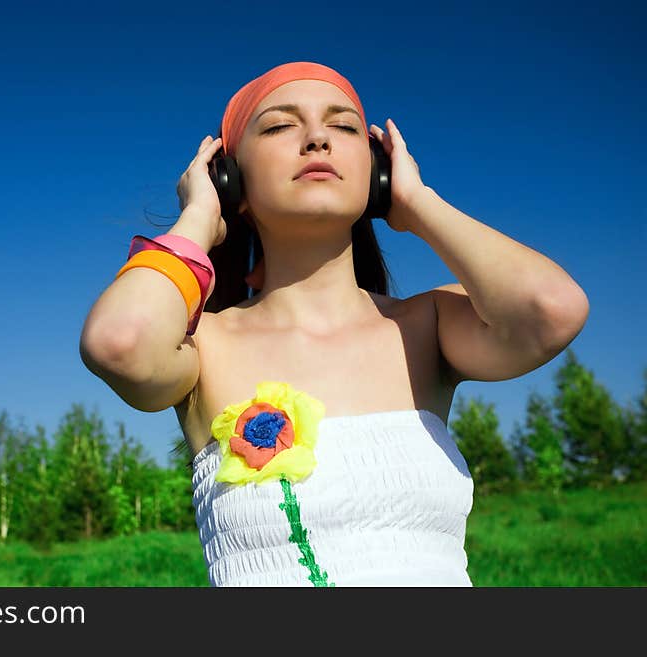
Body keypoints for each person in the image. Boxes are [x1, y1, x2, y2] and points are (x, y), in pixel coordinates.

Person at [79, 61, 589, 586]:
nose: (318, 138)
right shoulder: (203, 345)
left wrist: (415, 203)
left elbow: (551, 310)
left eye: (344, 126)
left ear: (377, 172)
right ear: (230, 181)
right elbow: (120, 342)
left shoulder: (427, 324)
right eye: (280, 125)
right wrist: (197, 220)